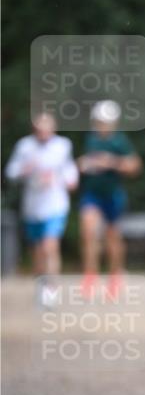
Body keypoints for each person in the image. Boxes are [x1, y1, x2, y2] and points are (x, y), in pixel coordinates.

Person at [4, 112, 78, 297]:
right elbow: (10, 172)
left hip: (55, 204)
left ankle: (51, 290)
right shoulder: (25, 146)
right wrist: (25, 170)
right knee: (37, 251)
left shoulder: (62, 145)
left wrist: (70, 180)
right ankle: (41, 284)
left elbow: (69, 169)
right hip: (32, 207)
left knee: (50, 246)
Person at [77, 100, 142, 298]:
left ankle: (115, 276)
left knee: (113, 238)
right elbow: (83, 162)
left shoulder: (119, 141)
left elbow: (135, 166)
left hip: (113, 195)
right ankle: (90, 276)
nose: (102, 125)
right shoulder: (91, 139)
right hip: (92, 195)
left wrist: (111, 162)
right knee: (88, 232)